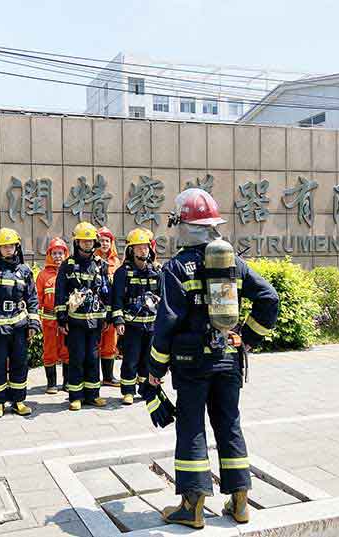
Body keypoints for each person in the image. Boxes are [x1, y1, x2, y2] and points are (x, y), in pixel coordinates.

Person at [149, 188, 279, 529]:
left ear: (182, 224)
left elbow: (167, 324)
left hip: (192, 364)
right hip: (228, 359)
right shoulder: (231, 261)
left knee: (192, 427)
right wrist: (247, 338)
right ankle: (240, 504)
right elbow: (269, 297)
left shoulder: (176, 267)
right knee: (229, 424)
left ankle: (192, 507)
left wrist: (154, 369)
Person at [0, 228, 41, 419]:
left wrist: (33, 324)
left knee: (20, 363)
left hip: (19, 325)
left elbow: (32, 298)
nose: (8, 249)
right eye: (4, 246)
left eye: (11, 246)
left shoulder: (25, 271)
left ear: (17, 247)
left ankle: (18, 401)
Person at [55, 222, 111, 411]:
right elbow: (60, 293)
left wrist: (107, 317)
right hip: (75, 321)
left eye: (90, 241)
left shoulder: (101, 265)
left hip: (95, 321)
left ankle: (93, 395)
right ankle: (75, 397)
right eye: (83, 241)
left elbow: (106, 292)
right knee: (77, 357)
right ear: (77, 242)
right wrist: (62, 319)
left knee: (93, 357)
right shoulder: (67, 266)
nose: (87, 244)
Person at [111, 228, 162, 405]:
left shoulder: (156, 271)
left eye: (146, 247)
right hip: (132, 325)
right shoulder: (123, 273)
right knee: (131, 359)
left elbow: (163, 298)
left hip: (152, 324)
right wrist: (118, 320)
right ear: (131, 250)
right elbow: (116, 298)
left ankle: (145, 388)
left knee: (148, 359)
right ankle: (128, 391)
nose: (143, 251)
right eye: (139, 248)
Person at [36, 237, 70, 394]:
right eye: (54, 253)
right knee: (49, 350)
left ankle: (68, 382)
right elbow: (37, 298)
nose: (57, 256)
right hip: (49, 320)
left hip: (67, 319)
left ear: (65, 254)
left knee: (67, 350)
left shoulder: (70, 272)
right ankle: (51, 384)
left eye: (60, 253)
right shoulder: (43, 276)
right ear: (49, 255)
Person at [96, 227, 121, 387]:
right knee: (94, 343)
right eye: (101, 240)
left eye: (107, 241)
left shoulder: (116, 262)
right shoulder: (92, 259)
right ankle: (91, 377)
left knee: (110, 342)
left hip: (111, 308)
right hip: (95, 310)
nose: (104, 244)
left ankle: (108, 376)